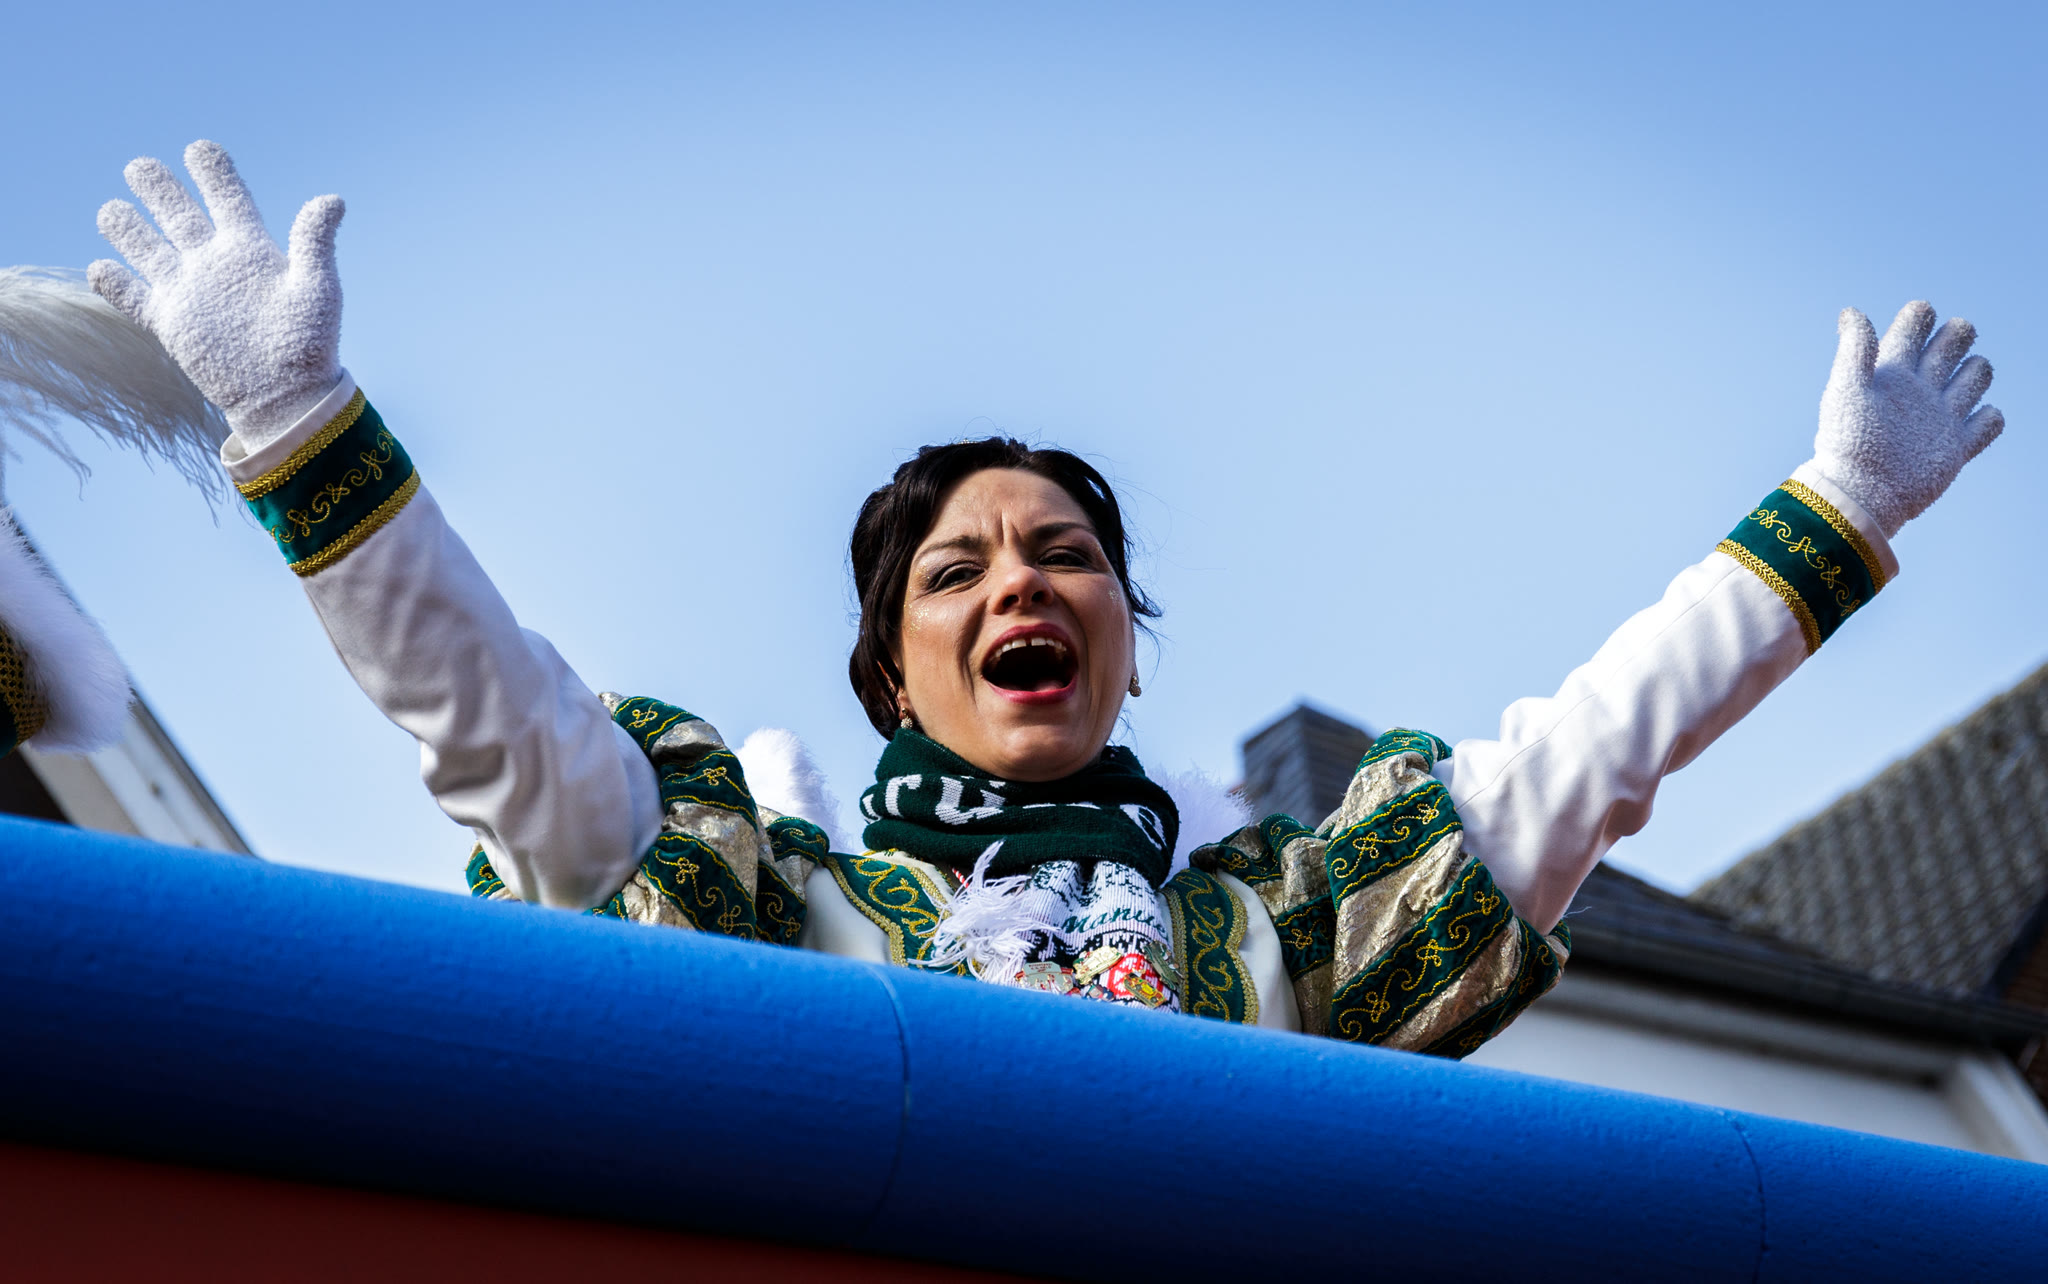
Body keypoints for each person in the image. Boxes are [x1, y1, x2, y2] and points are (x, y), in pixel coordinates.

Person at [78, 140, 2007, 1053]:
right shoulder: (765, 907)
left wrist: (1832, 512)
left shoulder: (1281, 941)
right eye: (960, 567)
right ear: (893, 676)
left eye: (1070, 554)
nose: (1024, 579)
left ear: (1123, 648)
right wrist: (306, 429)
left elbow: (1583, 766)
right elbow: (502, 731)